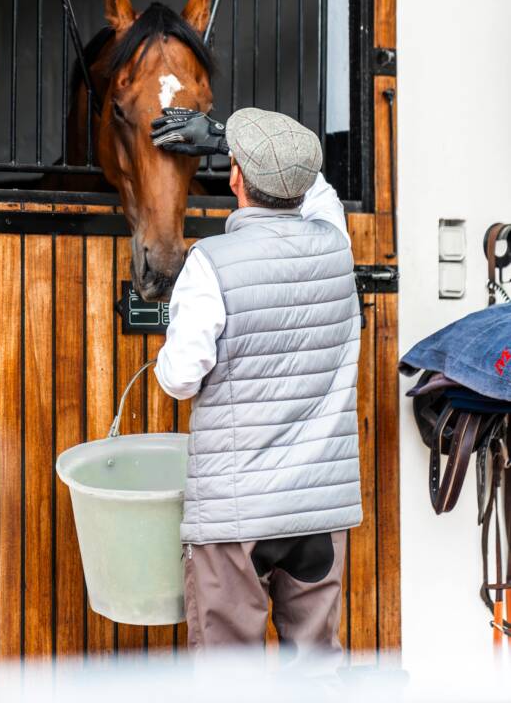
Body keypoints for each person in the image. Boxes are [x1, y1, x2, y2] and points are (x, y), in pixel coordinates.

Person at [150, 106, 362, 654]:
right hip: (318, 508)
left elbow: (179, 379)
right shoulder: (337, 245)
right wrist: (231, 141)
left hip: (235, 515)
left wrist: (170, 340)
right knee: (316, 672)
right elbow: (316, 186)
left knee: (229, 677)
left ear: (235, 177)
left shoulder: (210, 263)